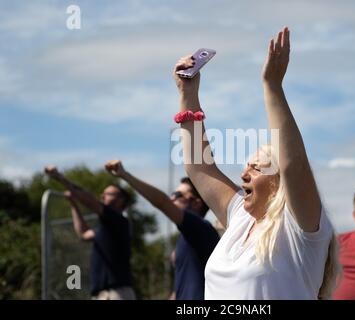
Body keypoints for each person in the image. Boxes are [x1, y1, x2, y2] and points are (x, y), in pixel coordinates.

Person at [173, 26, 339, 300]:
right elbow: (199, 166)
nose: (243, 174)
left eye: (257, 167)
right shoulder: (240, 217)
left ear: (279, 182)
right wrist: (187, 93)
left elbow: (294, 165)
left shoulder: (300, 228)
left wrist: (272, 87)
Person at [104, 160, 220, 300]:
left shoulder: (201, 227)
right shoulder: (188, 235)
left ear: (196, 203)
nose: (171, 198)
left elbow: (162, 202)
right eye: (172, 194)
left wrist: (125, 175)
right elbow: (179, 289)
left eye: (178, 195)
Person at [44, 165, 135, 300]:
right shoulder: (107, 227)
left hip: (116, 292)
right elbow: (84, 233)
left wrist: (60, 178)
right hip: (102, 293)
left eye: (108, 194)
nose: (103, 196)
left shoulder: (119, 221)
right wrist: (74, 204)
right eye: (103, 194)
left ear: (121, 200)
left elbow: (89, 200)